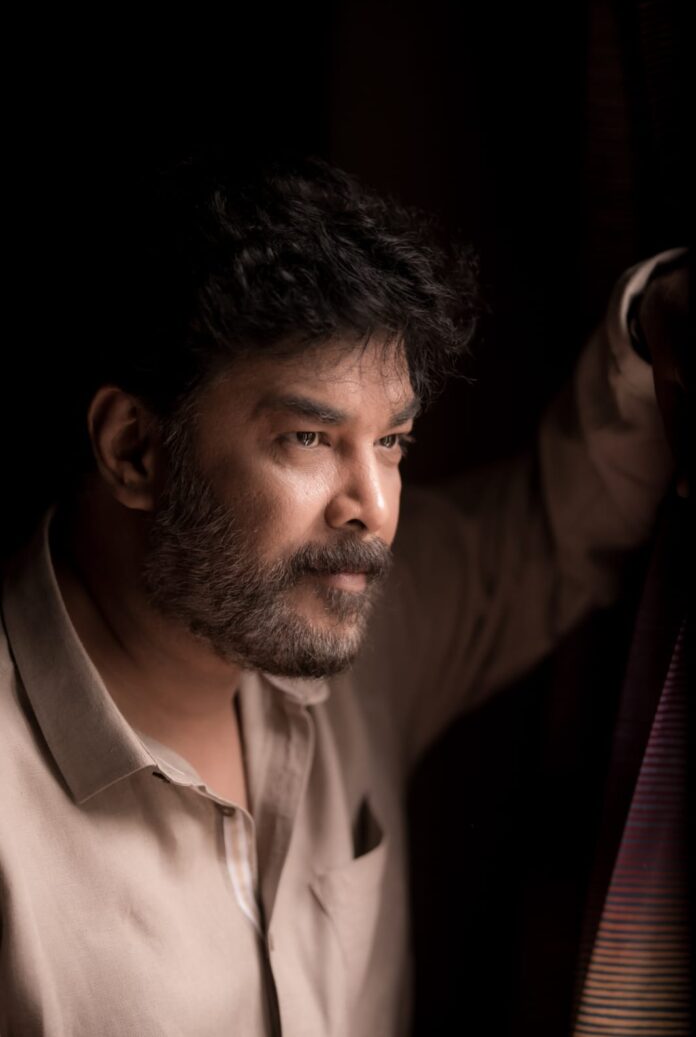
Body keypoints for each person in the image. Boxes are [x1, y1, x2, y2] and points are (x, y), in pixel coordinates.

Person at [0, 155, 686, 1037]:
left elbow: (558, 528)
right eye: (309, 437)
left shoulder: (348, 614)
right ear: (135, 449)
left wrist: (657, 315)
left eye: (393, 441)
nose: (375, 509)